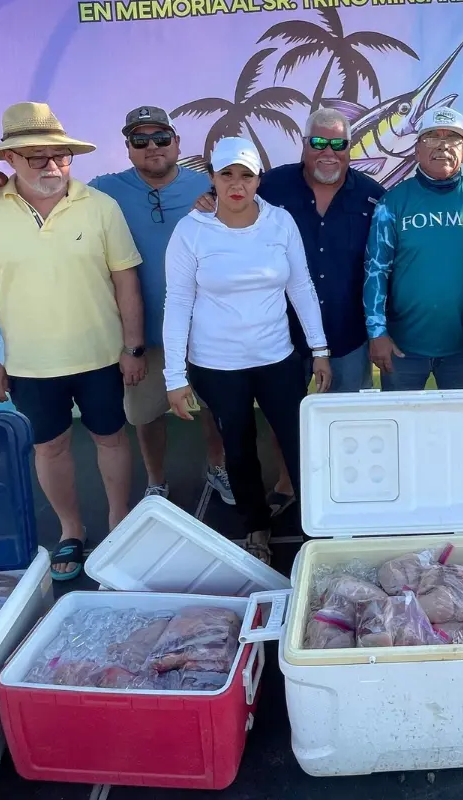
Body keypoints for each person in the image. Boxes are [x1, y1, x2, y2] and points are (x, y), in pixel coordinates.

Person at [0, 106, 235, 506]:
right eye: (140, 140)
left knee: (218, 409)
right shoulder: (104, 191)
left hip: (207, 327)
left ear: (177, 142)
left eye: (161, 138)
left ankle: (217, 468)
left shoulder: (208, 186)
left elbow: (252, 204)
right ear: (127, 148)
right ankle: (156, 481)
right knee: (144, 416)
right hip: (143, 334)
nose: (152, 147)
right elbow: (44, 184)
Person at [0, 102, 146, 580]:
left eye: (60, 156)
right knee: (50, 448)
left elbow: (126, 281)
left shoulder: (100, 205)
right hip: (29, 364)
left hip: (101, 356)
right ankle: (71, 531)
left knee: (112, 437)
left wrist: (132, 346)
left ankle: (118, 520)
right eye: (36, 157)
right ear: (9, 161)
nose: (52, 166)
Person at [194, 108, 387, 516]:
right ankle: (288, 481)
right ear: (304, 145)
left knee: (340, 419)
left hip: (345, 334)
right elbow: (229, 200)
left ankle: (340, 488)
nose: (329, 152)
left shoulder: (372, 196)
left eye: (339, 144)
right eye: (319, 142)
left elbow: (383, 265)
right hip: (278, 335)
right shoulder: (273, 185)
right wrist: (209, 202)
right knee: (287, 421)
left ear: (350, 148)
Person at [163, 137, 332, 565]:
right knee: (237, 448)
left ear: (259, 179)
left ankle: (320, 522)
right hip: (217, 365)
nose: (236, 185)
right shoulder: (191, 230)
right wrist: (173, 376)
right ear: (213, 179)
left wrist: (320, 348)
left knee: (298, 441)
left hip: (277, 358)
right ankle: (255, 526)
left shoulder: (280, 222)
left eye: (246, 175)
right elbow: (177, 302)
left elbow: (301, 287)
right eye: (227, 175)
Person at [365, 107, 463, 390]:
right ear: (415, 150)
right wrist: (377, 332)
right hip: (403, 348)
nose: (442, 146)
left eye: (451, 139)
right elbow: (376, 269)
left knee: (458, 430)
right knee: (398, 427)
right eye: (430, 138)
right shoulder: (393, 202)